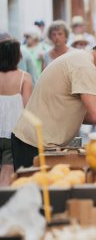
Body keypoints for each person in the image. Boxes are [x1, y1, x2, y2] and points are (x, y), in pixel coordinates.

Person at [11, 35, 96, 170]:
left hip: (36, 143)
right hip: (33, 145)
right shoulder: (84, 66)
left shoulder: (83, 60)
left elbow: (88, 115)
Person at [0, 39, 32, 184]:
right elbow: (28, 108)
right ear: (17, 56)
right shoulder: (24, 77)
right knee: (7, 173)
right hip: (12, 133)